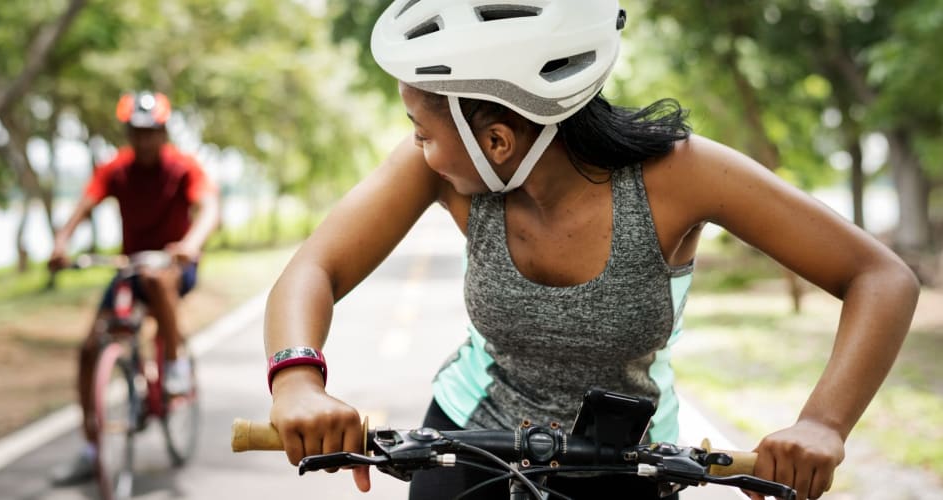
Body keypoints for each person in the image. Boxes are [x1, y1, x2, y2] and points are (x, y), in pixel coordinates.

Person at [263, 2, 919, 499]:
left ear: (496, 140)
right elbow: (314, 268)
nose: (418, 148)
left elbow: (879, 277)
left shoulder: (679, 177)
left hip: (627, 463)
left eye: (423, 131)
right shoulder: (440, 169)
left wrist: (823, 424)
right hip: (469, 444)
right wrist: (297, 382)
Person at [47, 90, 220, 485]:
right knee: (90, 347)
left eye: (152, 132)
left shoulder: (182, 167)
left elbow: (210, 208)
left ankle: (174, 366)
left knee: (157, 279)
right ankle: (91, 449)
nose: (144, 140)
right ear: (127, 133)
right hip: (129, 267)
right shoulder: (115, 169)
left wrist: (190, 246)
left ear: (163, 132)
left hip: (174, 267)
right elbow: (82, 208)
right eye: (137, 132)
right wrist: (61, 244)